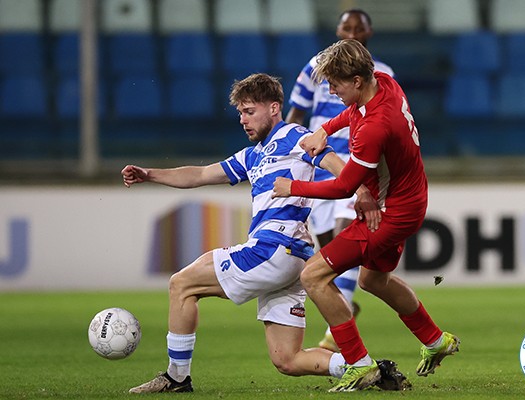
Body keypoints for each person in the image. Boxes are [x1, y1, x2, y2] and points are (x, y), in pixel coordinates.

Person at [122, 73, 406, 394]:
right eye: (240, 113)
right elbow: (200, 174)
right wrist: (150, 174)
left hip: (272, 248)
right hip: (292, 259)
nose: (243, 120)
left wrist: (362, 192)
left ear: (273, 108)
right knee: (287, 359)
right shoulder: (253, 155)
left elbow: (334, 163)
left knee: (181, 284)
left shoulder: (295, 136)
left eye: (249, 111)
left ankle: (176, 378)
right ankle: (369, 369)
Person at [273, 40, 460, 391]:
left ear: (357, 81)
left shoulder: (376, 126)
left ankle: (359, 364)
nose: (331, 92)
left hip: (390, 213)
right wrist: (325, 129)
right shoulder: (384, 83)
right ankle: (436, 341)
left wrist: (292, 187)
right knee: (372, 280)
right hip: (405, 199)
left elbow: (345, 186)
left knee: (313, 276)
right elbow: (351, 113)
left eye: (335, 85)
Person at [285, 8, 395, 353]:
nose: (351, 34)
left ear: (368, 33)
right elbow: (297, 113)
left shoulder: (383, 74)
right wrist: (288, 155)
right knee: (331, 254)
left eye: (358, 29)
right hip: (322, 163)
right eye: (346, 28)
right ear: (337, 30)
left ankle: (337, 333)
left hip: (360, 163)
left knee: (348, 233)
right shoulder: (314, 67)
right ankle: (346, 309)